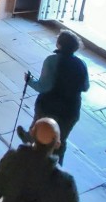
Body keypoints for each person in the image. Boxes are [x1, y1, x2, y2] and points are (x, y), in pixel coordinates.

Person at [17, 30, 90, 164]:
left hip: (49, 107)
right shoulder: (81, 64)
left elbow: (43, 87)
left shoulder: (52, 61)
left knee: (40, 134)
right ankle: (55, 166)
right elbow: (85, 87)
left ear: (59, 45)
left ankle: (30, 154)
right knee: (60, 140)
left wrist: (29, 80)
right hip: (71, 110)